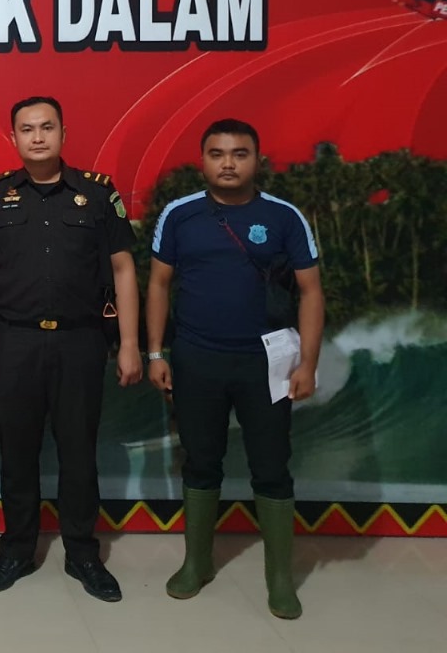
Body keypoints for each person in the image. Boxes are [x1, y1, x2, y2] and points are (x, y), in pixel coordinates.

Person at [146, 118, 323, 620]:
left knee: (272, 467)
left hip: (266, 362)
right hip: (196, 359)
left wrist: (308, 364)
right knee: (201, 462)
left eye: (239, 154)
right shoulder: (180, 214)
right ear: (202, 160)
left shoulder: (283, 216)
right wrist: (156, 353)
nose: (228, 163)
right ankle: (196, 564)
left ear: (257, 160)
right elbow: (158, 284)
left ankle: (280, 579)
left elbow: (311, 291)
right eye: (217, 153)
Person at [0, 96, 142, 601]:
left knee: (79, 454)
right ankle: (17, 551)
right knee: (16, 453)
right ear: (14, 137)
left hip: (80, 341)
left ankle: (83, 554)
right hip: (13, 341)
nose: (38, 137)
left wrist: (130, 344)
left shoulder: (97, 193)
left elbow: (124, 269)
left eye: (47, 127)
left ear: (64, 133)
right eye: (27, 129)